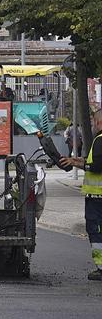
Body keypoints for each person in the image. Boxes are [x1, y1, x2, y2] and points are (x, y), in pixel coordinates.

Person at [63, 109, 102, 281]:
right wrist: (79, 161)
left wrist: (77, 165)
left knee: (96, 232)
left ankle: (101, 267)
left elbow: (97, 167)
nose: (92, 125)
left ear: (99, 122)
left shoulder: (100, 140)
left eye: (94, 122)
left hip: (97, 197)